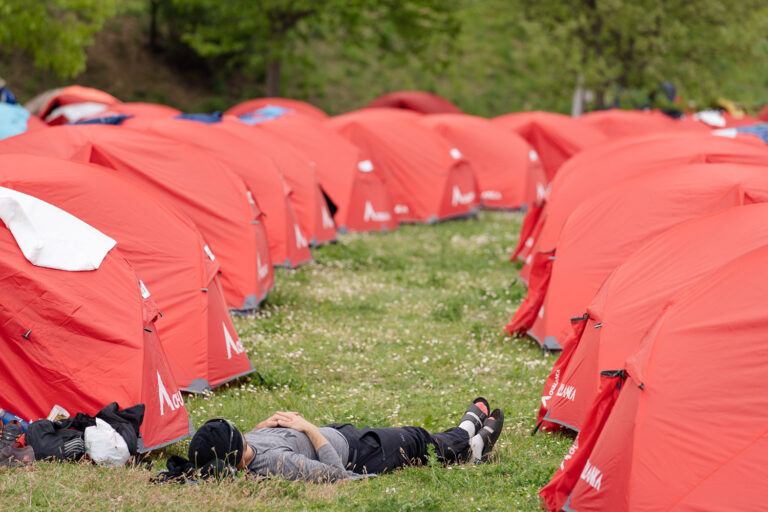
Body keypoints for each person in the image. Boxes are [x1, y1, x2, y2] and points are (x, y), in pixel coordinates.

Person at [187, 398, 504, 483]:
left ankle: (470, 444)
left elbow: (246, 448)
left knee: (419, 441)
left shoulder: (248, 446)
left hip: (342, 433)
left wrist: (264, 427)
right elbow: (336, 475)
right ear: (238, 455)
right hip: (360, 453)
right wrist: (309, 428)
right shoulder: (278, 464)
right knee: (418, 441)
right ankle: (467, 437)